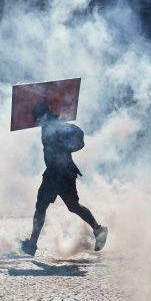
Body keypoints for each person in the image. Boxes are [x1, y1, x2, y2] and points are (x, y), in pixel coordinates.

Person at [21, 102, 108, 256]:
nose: (37, 121)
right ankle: (97, 229)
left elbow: (78, 135)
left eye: (38, 117)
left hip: (61, 173)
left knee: (48, 206)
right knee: (66, 206)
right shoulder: (48, 126)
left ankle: (32, 245)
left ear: (43, 116)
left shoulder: (57, 126)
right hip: (57, 173)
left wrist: (66, 144)